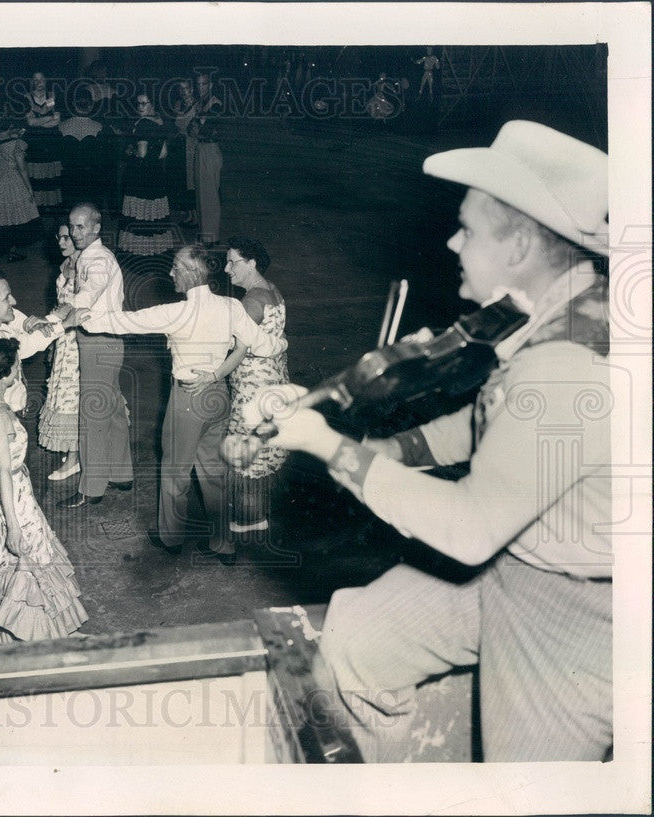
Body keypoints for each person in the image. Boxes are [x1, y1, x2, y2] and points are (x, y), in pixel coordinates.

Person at [235, 121, 612, 761]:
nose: (452, 241)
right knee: (358, 641)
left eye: (467, 229)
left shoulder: (563, 362)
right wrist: (400, 451)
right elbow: (497, 423)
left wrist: (331, 447)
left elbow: (469, 528)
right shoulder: (557, 304)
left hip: (576, 610)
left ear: (519, 245)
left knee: (527, 785)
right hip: (510, 563)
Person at [81, 244, 287, 563]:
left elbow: (122, 322)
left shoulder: (175, 312)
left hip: (188, 399)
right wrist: (282, 341)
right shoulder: (232, 306)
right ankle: (223, 544)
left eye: (176, 266)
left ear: (192, 273)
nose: (170, 272)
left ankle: (171, 537)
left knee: (175, 471)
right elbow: (265, 344)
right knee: (213, 472)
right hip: (219, 396)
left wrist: (84, 317)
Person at [0, 337, 88, 645]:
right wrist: (14, 524)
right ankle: (56, 634)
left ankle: (26, 634)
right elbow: (2, 472)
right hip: (11, 496)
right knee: (35, 559)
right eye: (17, 366)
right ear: (8, 371)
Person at [0, 270, 83, 482]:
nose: (14, 300)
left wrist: (63, 325)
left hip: (16, 419)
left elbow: (24, 348)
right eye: (5, 298)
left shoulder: (1, 328)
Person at [57, 203, 134, 508]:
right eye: (72, 226)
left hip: (99, 342)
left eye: (81, 227)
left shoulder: (98, 260)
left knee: (93, 415)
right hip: (105, 341)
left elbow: (87, 296)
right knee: (112, 406)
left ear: (96, 228)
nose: (75, 233)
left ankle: (91, 488)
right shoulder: (89, 256)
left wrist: (57, 316)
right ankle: (121, 472)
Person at [223, 237, 290, 539]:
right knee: (263, 446)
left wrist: (215, 371)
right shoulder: (271, 290)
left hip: (252, 383)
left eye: (232, 262)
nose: (227, 269)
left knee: (247, 447)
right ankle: (258, 512)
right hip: (273, 376)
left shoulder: (251, 300)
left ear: (250, 263)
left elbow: (238, 349)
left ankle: (251, 517)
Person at [38, 225, 82, 481]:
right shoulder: (66, 264)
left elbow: (73, 307)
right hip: (63, 338)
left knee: (71, 398)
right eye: (60, 236)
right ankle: (73, 450)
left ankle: (75, 459)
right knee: (63, 394)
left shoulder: (85, 267)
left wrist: (49, 322)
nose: (62, 241)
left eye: (67, 237)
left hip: (76, 339)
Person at [118, 93, 174, 256]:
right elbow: (163, 153)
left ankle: (139, 252)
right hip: (156, 173)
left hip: (140, 174)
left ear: (152, 105)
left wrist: (130, 151)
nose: (140, 107)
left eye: (144, 103)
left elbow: (141, 153)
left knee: (138, 213)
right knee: (153, 213)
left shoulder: (142, 124)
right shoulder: (160, 123)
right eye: (138, 104)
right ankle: (154, 251)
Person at [0, 122, 40, 263]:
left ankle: (1, 247)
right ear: (9, 125)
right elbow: (22, 168)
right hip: (13, 179)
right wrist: (29, 188)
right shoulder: (16, 144)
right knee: (14, 215)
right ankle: (12, 252)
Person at [188, 72, 224, 244]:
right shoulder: (200, 105)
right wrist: (198, 125)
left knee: (210, 195)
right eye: (198, 84)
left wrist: (198, 126)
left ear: (210, 85)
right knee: (201, 195)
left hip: (210, 150)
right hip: (201, 148)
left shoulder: (216, 104)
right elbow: (191, 129)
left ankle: (212, 238)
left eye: (203, 84)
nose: (200, 88)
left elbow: (206, 130)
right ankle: (205, 234)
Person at [24, 71, 63, 210]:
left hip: (50, 143)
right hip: (34, 144)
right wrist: (48, 118)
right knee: (35, 176)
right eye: (35, 80)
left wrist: (39, 121)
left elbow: (56, 121)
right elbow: (30, 123)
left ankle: (50, 207)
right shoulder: (27, 98)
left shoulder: (51, 96)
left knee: (50, 176)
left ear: (46, 80)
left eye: (41, 79)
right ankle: (35, 208)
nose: (38, 83)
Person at [172, 78, 199, 228]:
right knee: (182, 181)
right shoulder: (178, 105)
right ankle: (189, 215)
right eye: (180, 89)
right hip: (179, 146)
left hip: (191, 146)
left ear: (192, 89)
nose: (183, 92)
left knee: (191, 181)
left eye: (186, 88)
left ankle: (196, 216)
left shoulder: (197, 106)